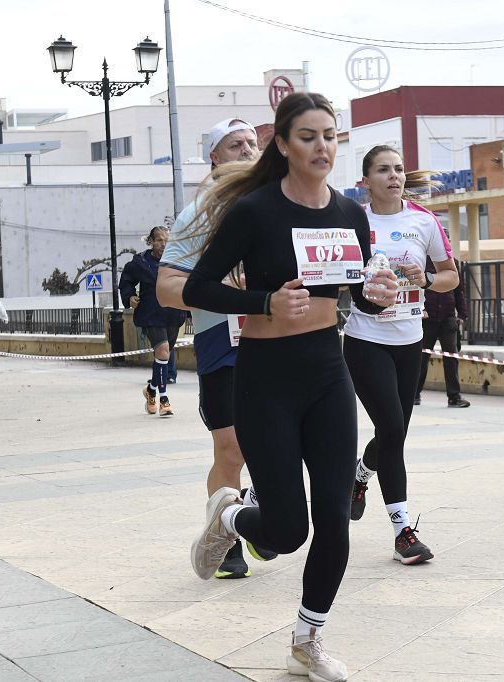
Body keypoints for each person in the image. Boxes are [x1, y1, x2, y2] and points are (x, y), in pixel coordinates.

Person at [183, 92, 398, 682]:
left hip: (328, 373)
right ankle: (229, 516)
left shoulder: (351, 215)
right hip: (265, 377)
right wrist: (263, 301)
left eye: (330, 135)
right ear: (282, 144)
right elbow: (198, 288)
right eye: (308, 136)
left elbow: (359, 300)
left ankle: (308, 640)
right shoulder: (254, 212)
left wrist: (377, 296)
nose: (322, 146)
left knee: (333, 516)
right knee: (285, 530)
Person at [159, 116, 267, 579]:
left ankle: (263, 517)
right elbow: (167, 289)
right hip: (222, 341)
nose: (247, 150)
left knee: (281, 442)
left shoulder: (277, 204)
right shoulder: (199, 213)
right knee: (232, 451)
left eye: (252, 143)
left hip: (277, 341)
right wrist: (218, 286)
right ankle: (228, 540)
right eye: (235, 144)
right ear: (215, 158)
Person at [342, 145, 459, 566]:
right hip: (365, 338)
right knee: (391, 428)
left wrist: (424, 278)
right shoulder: (353, 219)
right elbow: (335, 278)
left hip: (410, 340)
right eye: (383, 170)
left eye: (399, 169)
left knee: (395, 435)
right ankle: (403, 532)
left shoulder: (422, 221)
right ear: (366, 180)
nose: (394, 177)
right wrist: (367, 281)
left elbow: (449, 277)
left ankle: (360, 475)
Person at [120, 226, 187, 416]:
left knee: (163, 357)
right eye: (159, 240)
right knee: (163, 350)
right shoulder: (140, 262)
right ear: (151, 241)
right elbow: (126, 281)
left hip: (173, 314)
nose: (163, 243)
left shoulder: (176, 261)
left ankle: (151, 390)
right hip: (151, 314)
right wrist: (130, 296)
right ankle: (163, 399)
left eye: (166, 240)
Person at [415, 256, 471, 407]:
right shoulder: (421, 260)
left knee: (451, 357)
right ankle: (414, 395)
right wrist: (421, 309)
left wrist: (462, 315)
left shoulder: (453, 262)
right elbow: (415, 287)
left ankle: (454, 397)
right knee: (422, 358)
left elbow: (459, 290)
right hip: (427, 318)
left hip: (448, 317)